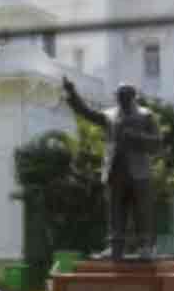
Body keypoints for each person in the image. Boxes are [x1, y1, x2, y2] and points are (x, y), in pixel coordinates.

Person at [61, 76, 162, 260]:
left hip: (139, 171)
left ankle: (145, 246)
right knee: (115, 210)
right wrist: (72, 93)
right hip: (115, 170)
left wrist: (138, 137)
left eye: (125, 95)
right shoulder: (109, 115)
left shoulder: (146, 115)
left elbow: (157, 143)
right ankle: (115, 247)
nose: (121, 99)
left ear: (133, 96)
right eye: (119, 96)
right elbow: (86, 112)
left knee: (141, 210)